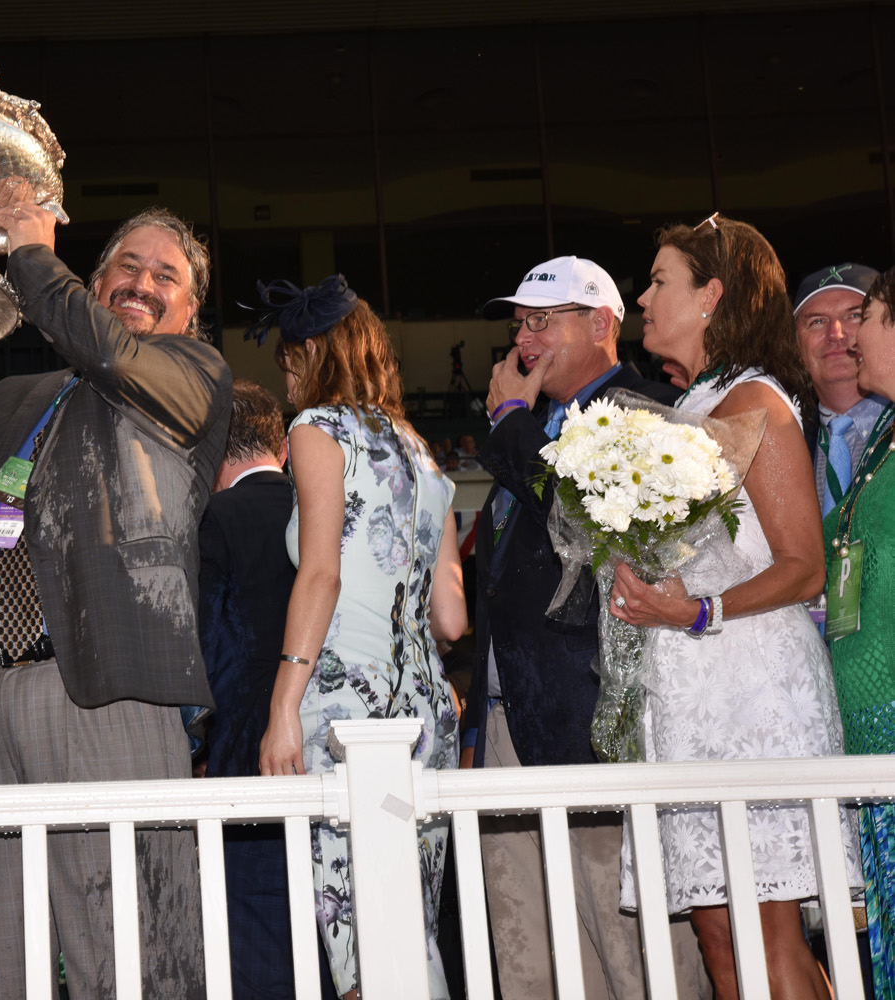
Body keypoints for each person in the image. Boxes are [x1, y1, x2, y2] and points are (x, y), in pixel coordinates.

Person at [0, 199, 230, 999]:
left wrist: (30, 253)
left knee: (128, 951)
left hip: (110, 687)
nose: (141, 282)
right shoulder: (17, 399)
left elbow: (113, 356)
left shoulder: (190, 381)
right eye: (125, 268)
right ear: (93, 287)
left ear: (191, 311)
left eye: (165, 275)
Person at [612, 213, 859, 1000]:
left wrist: (698, 612)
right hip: (690, 697)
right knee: (718, 935)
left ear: (711, 296)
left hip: (751, 687)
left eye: (659, 281)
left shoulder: (758, 399)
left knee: (764, 929)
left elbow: (804, 566)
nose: (643, 298)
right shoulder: (692, 405)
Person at [465, 256, 705, 999]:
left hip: (594, 723)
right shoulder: (535, 426)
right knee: (530, 950)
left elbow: (586, 514)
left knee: (631, 951)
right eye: (518, 325)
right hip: (510, 720)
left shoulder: (647, 409)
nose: (523, 340)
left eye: (542, 321)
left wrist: (510, 427)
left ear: (602, 323)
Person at [252, 275, 465, 999]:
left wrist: (284, 705)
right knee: (407, 929)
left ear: (311, 352)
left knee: (359, 946)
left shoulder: (317, 432)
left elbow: (321, 576)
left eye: (287, 356)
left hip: (345, 704)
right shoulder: (422, 453)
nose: (284, 371)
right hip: (426, 710)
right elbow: (453, 619)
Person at [198, 379, 329, 999]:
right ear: (281, 442)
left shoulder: (211, 521)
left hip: (246, 762)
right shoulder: (330, 507)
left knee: (260, 951)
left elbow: (210, 647)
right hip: (335, 756)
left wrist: (200, 745)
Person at [827, 267, 895, 999]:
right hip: (870, 730)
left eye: (867, 317)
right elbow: (824, 545)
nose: (849, 338)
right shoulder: (882, 439)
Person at [793, 263, 887, 517]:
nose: (835, 334)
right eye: (817, 321)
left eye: (855, 315)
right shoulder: (785, 442)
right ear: (795, 345)